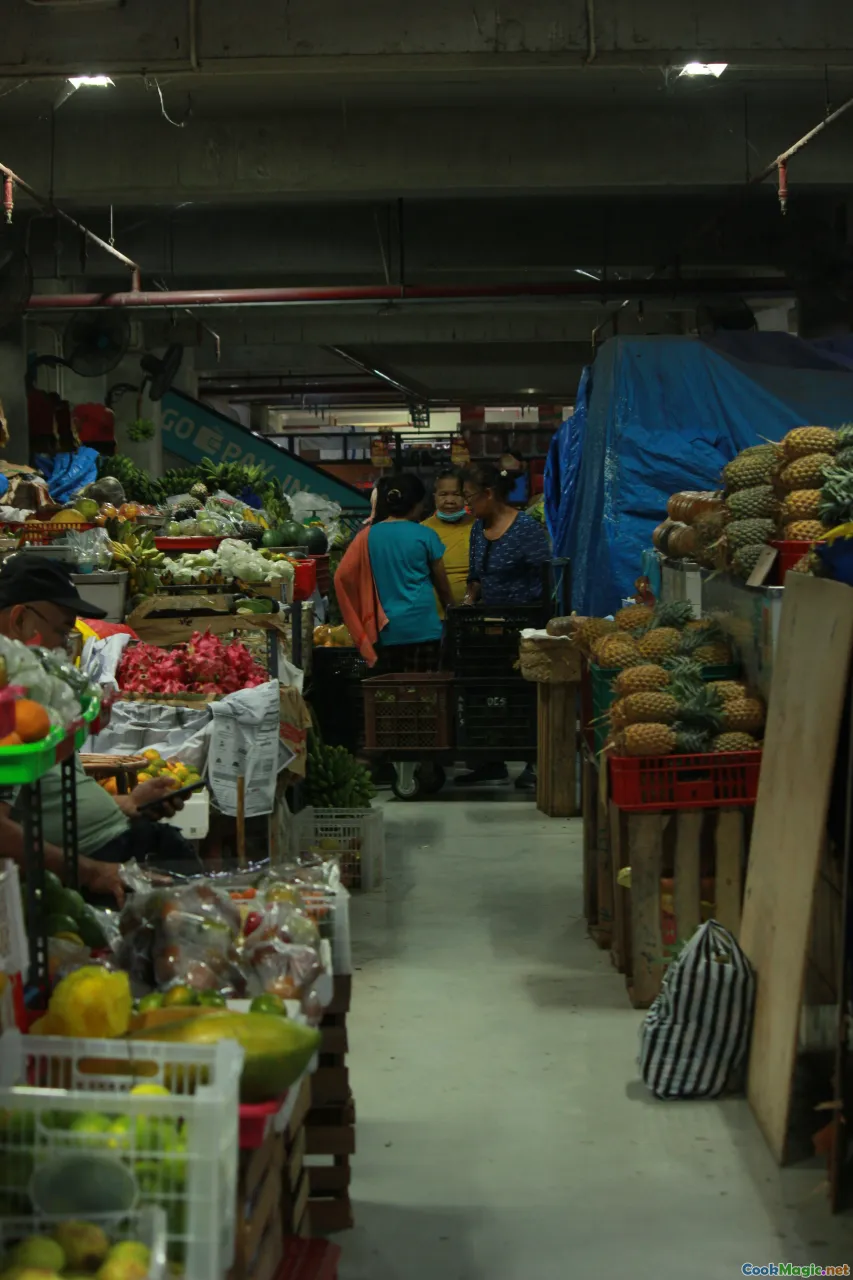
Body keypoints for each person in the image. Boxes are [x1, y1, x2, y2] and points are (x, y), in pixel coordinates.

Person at [0, 556, 193, 906]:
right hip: (94, 868)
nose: (64, 647)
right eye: (61, 631)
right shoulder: (8, 705)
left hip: (112, 847)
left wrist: (127, 803)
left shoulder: (33, 691)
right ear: (20, 619)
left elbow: (50, 801)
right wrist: (92, 872)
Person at [456, 462, 551, 789]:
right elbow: (475, 578)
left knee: (525, 695)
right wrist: (468, 604)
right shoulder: (476, 529)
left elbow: (545, 576)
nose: (467, 505)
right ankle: (488, 760)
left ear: (489, 493)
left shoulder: (525, 529)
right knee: (484, 692)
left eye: (470, 497)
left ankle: (534, 763)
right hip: (488, 628)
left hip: (524, 626)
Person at [368, 473, 454, 671]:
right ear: (417, 504)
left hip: (384, 629)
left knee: (390, 693)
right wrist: (453, 610)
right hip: (423, 628)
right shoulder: (425, 534)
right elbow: (442, 585)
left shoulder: (368, 536)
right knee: (422, 691)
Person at [421, 468, 475, 611]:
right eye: (443, 494)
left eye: (456, 494)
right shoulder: (423, 530)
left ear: (465, 497)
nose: (450, 501)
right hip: (434, 615)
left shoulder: (479, 527)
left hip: (474, 611)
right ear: (435, 497)